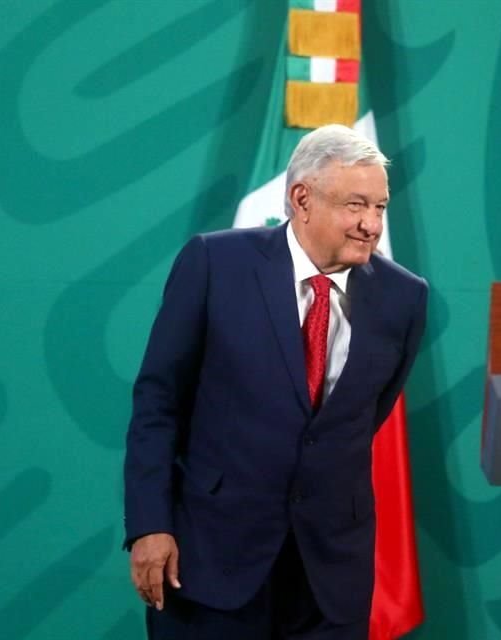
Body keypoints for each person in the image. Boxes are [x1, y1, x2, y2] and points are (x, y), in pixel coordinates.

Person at [123, 124, 428, 639]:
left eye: (380, 207)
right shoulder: (215, 264)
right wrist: (150, 524)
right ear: (301, 199)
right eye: (356, 205)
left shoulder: (405, 298)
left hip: (329, 576)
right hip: (210, 557)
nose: (371, 225)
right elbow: (158, 402)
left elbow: (360, 417)